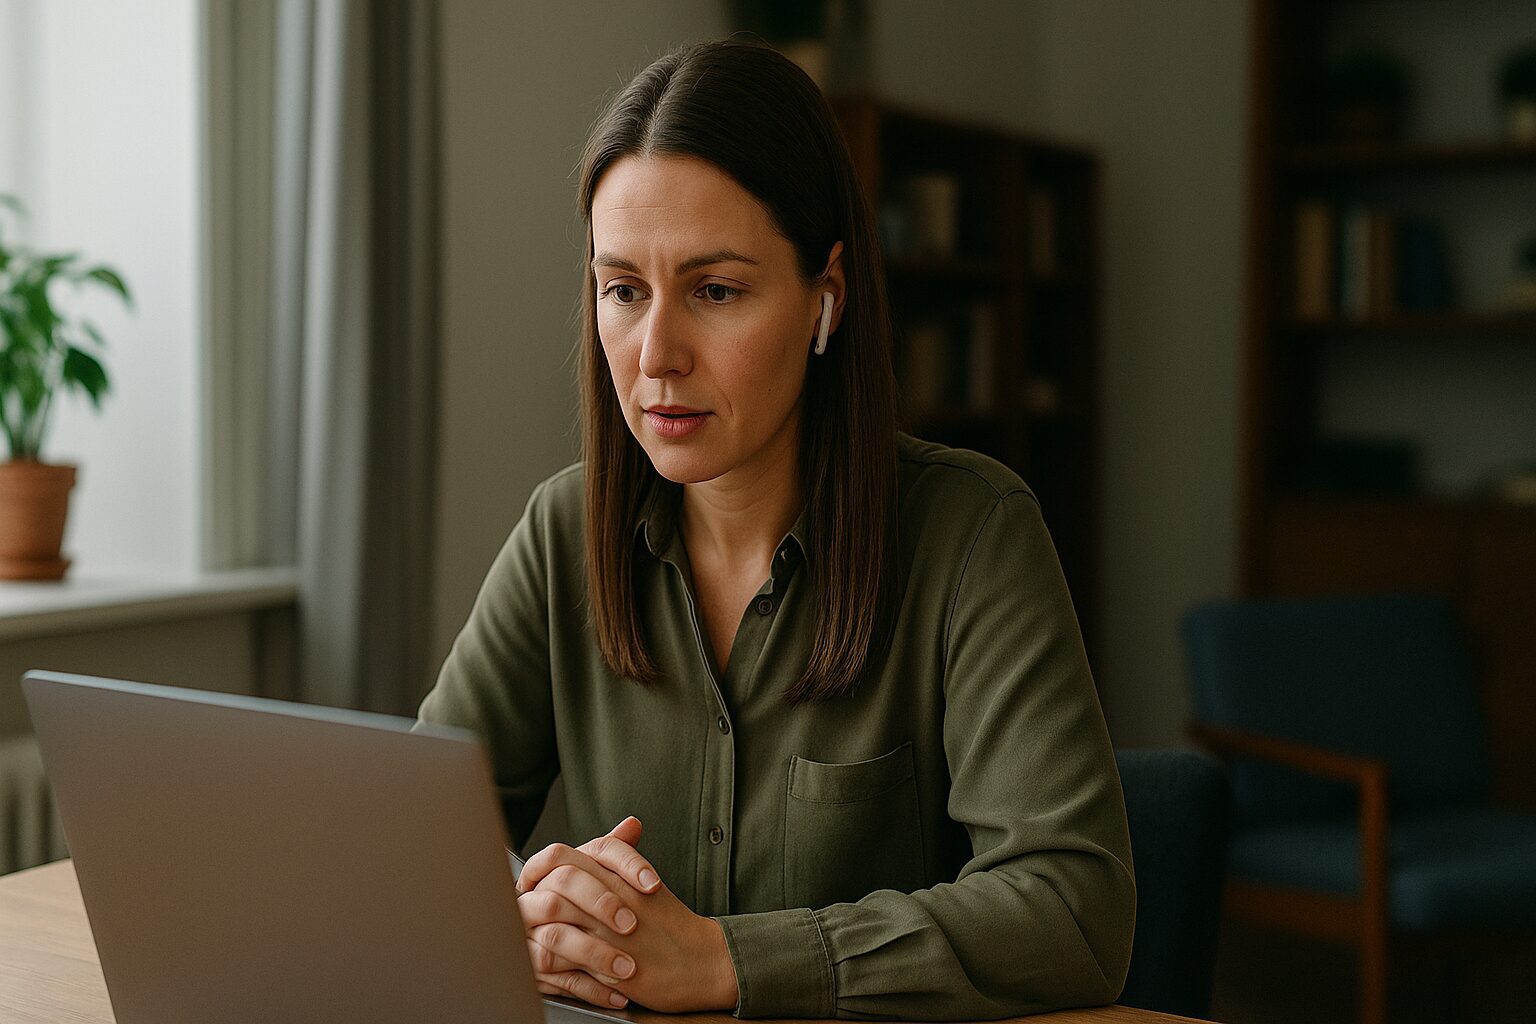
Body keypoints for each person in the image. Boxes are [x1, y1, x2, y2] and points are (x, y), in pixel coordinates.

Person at [416, 39, 1135, 1021]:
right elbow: (416, 840)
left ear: (825, 299)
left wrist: (723, 961)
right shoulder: (562, 531)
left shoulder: (972, 534)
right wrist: (527, 911)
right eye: (623, 290)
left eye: (715, 290)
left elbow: (1074, 912)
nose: (656, 353)